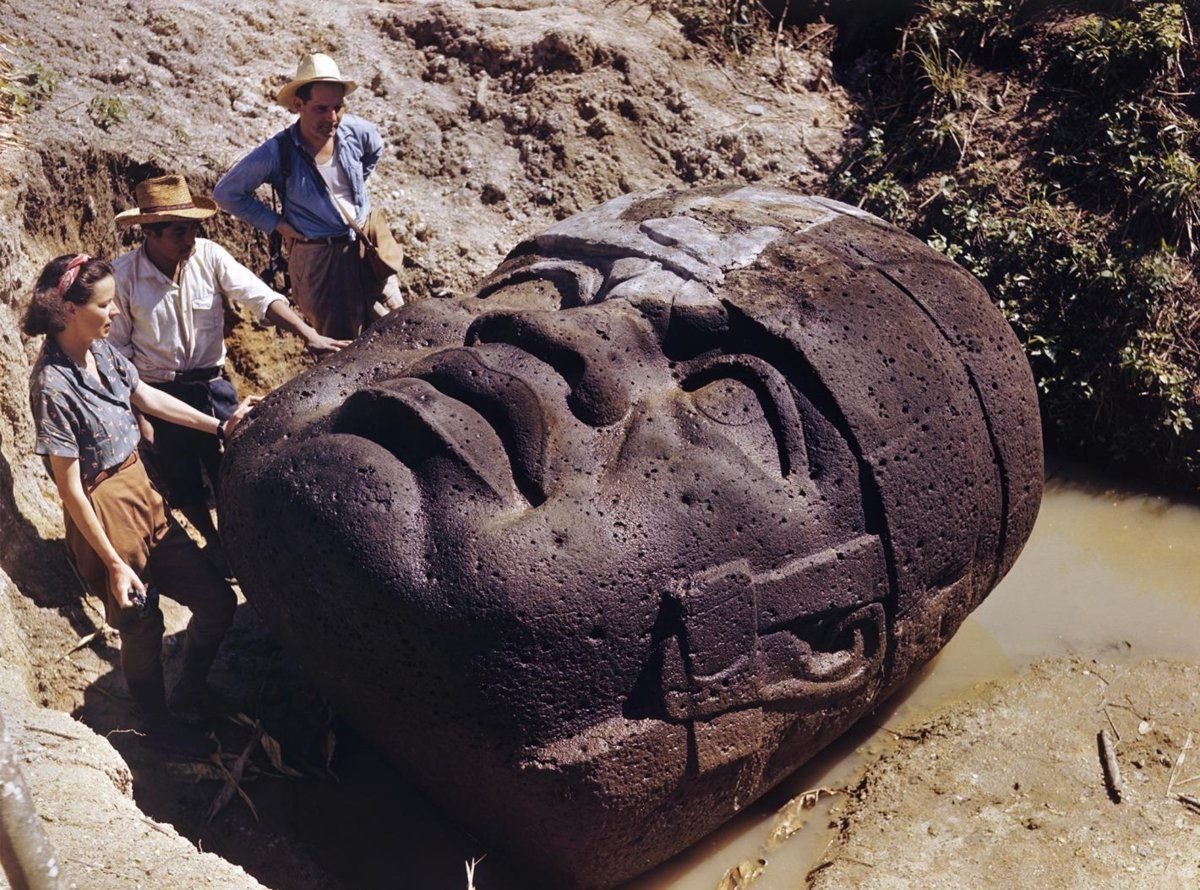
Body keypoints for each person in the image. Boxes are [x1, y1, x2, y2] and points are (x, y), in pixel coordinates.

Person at [24, 253, 258, 743]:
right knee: (141, 625)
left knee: (217, 601)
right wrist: (112, 562)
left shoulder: (102, 351)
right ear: (68, 309)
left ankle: (190, 691)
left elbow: (146, 397)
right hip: (105, 512)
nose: (115, 313)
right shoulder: (52, 385)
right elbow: (69, 489)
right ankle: (156, 723)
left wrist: (220, 425)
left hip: (143, 492)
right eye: (105, 304)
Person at [111, 173, 347, 544]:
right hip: (159, 391)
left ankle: (240, 540)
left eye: (193, 230)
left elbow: (259, 296)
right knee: (181, 475)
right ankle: (211, 541)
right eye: (178, 233)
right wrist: (139, 413)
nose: (190, 240)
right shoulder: (122, 277)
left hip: (212, 385)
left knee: (233, 463)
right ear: (149, 233)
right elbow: (118, 352)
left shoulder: (209, 256)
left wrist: (310, 335)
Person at [214, 52, 403, 340]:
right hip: (320, 258)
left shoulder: (354, 131)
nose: (332, 118)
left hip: (366, 248)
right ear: (299, 106)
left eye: (338, 108)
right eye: (321, 109)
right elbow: (227, 193)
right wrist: (276, 224)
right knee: (340, 347)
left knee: (395, 330)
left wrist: (357, 196)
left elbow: (374, 147)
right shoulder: (278, 151)